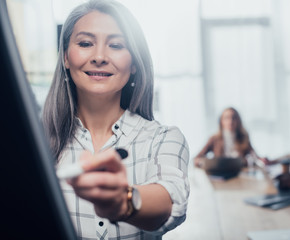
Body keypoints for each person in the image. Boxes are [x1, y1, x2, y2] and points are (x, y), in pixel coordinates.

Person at [42, 0, 190, 239]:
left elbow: (170, 199)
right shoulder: (36, 142)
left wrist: (124, 202)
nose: (99, 56)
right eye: (86, 43)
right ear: (66, 58)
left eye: (116, 45)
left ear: (133, 63)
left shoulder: (163, 139)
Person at [194, 107, 260, 168]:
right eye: (226, 118)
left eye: (234, 118)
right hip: (220, 175)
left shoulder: (243, 138)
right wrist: (209, 163)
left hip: (240, 174)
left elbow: (256, 158)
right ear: (221, 121)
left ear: (238, 121)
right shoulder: (214, 139)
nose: (230, 121)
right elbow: (196, 159)